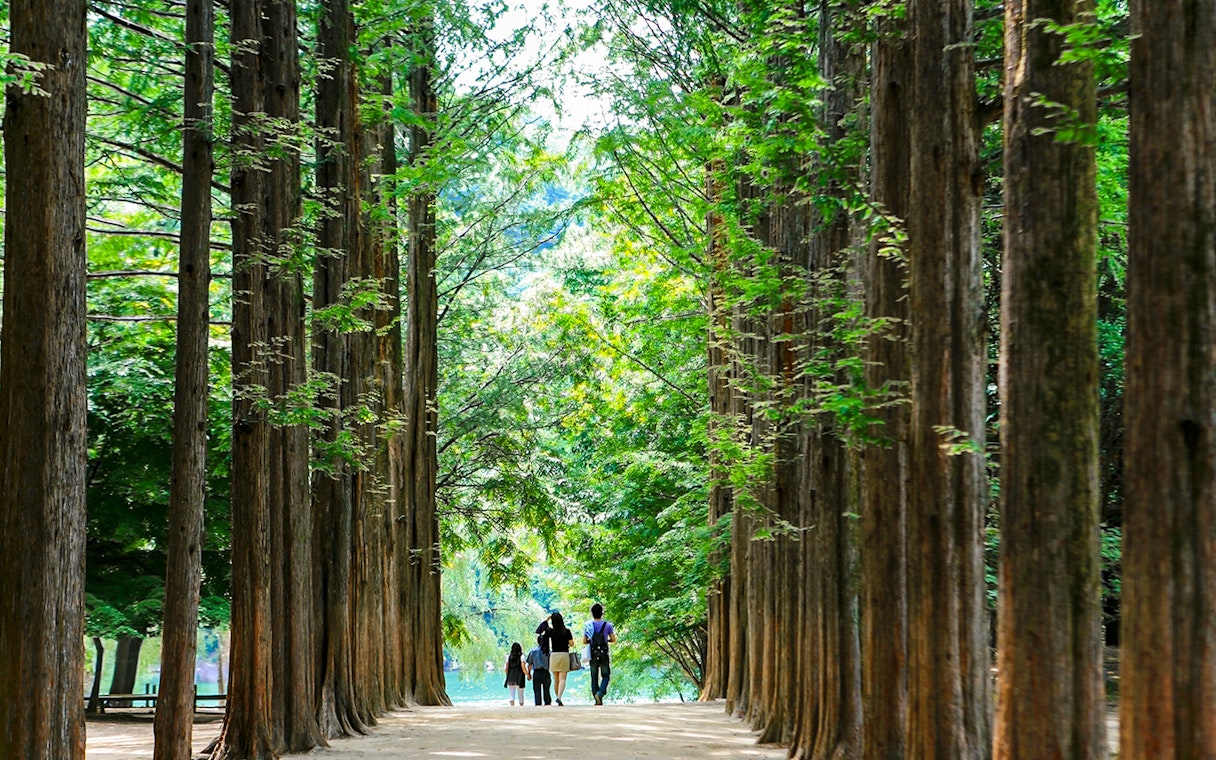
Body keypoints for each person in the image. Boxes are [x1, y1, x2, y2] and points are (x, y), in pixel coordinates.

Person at [582, 603, 617, 705]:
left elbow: (584, 641)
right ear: (602, 613)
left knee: (594, 677)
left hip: (592, 654)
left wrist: (592, 641)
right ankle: (600, 693)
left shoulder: (588, 626)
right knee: (605, 675)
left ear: (592, 613)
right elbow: (613, 639)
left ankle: (597, 699)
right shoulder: (608, 625)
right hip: (604, 654)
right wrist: (607, 640)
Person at [540, 611, 575, 706]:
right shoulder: (566, 631)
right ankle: (559, 697)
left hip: (554, 656)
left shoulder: (550, 631)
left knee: (556, 680)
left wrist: (547, 619)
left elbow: (540, 629)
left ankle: (558, 698)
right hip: (564, 655)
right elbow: (572, 644)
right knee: (562, 679)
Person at [525, 634, 551, 706]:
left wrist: (529, 674)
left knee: (537, 691)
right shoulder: (548, 652)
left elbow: (530, 664)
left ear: (538, 641)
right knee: (547, 690)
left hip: (536, 672)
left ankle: (538, 705)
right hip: (546, 672)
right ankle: (548, 704)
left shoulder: (533, 651)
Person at [503, 642, 528, 706]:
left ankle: (512, 707)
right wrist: (528, 675)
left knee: (511, 694)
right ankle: (521, 706)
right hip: (520, 677)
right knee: (521, 694)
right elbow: (523, 667)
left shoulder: (508, 657)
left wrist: (507, 676)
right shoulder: (522, 657)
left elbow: (506, 668)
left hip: (511, 676)